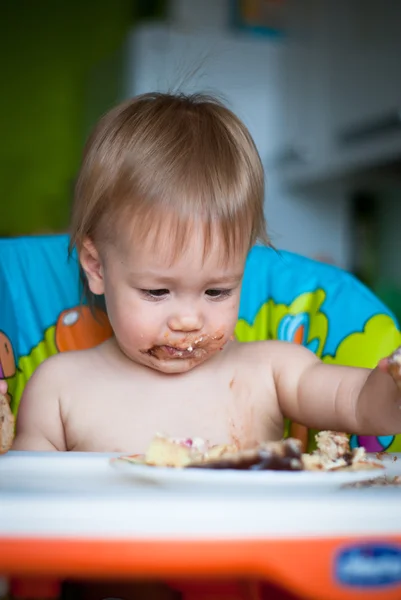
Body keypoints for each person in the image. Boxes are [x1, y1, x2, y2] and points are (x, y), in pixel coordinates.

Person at [10, 92, 401, 453]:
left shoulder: (273, 371)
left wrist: (391, 388)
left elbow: (362, 405)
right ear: (96, 266)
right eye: (157, 292)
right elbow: (31, 507)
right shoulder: (58, 390)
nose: (188, 320)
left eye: (216, 291)